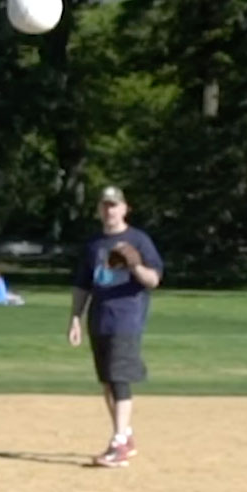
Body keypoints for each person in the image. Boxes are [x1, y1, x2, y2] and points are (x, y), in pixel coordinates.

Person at [67, 185, 164, 468]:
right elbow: (82, 285)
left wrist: (135, 266)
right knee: (108, 381)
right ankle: (126, 437)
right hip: (99, 319)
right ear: (99, 209)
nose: (109, 210)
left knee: (119, 378)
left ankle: (119, 442)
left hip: (126, 318)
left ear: (124, 208)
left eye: (114, 205)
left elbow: (154, 280)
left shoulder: (138, 240)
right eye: (105, 205)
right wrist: (75, 317)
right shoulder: (94, 244)